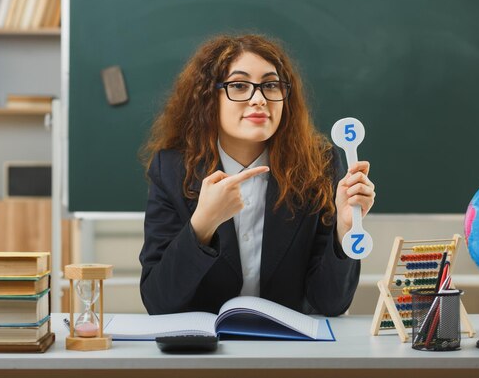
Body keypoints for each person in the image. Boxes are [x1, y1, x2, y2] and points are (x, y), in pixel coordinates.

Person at [139, 34, 375, 316]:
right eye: (239, 86)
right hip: (207, 353)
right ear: (208, 98)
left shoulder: (319, 165)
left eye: (271, 85)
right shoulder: (172, 169)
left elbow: (331, 303)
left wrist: (345, 229)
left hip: (291, 352)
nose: (259, 99)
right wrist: (202, 224)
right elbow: (158, 301)